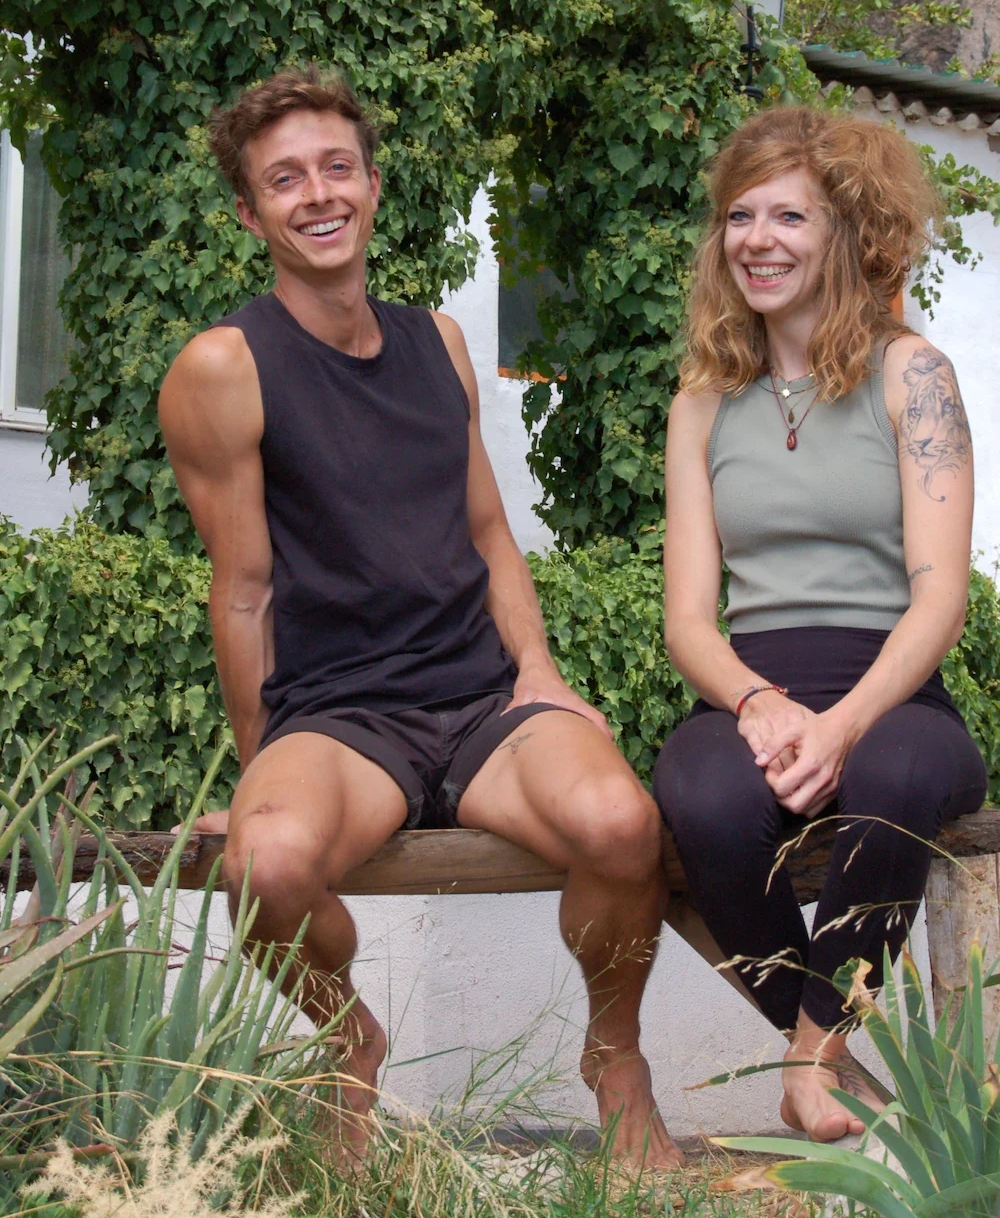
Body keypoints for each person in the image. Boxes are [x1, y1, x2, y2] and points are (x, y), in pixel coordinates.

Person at [158, 66, 681, 1169]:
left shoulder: (438, 341)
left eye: (335, 167)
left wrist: (534, 669)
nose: (318, 194)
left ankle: (616, 1056)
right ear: (251, 213)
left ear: (373, 185)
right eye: (284, 179)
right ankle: (349, 1034)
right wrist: (258, 769)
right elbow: (243, 588)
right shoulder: (223, 367)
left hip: (482, 698)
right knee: (265, 867)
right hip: (343, 720)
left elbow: (489, 532)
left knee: (625, 824)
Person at [653, 105, 987, 1143]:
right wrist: (755, 703)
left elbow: (941, 598)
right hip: (753, 696)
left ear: (848, 230)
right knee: (697, 795)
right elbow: (687, 621)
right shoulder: (702, 403)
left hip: (892, 697)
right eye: (738, 216)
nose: (756, 239)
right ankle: (835, 1072)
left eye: (788, 215)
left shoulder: (912, 374)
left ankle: (809, 1061)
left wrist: (839, 724)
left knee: (888, 779)